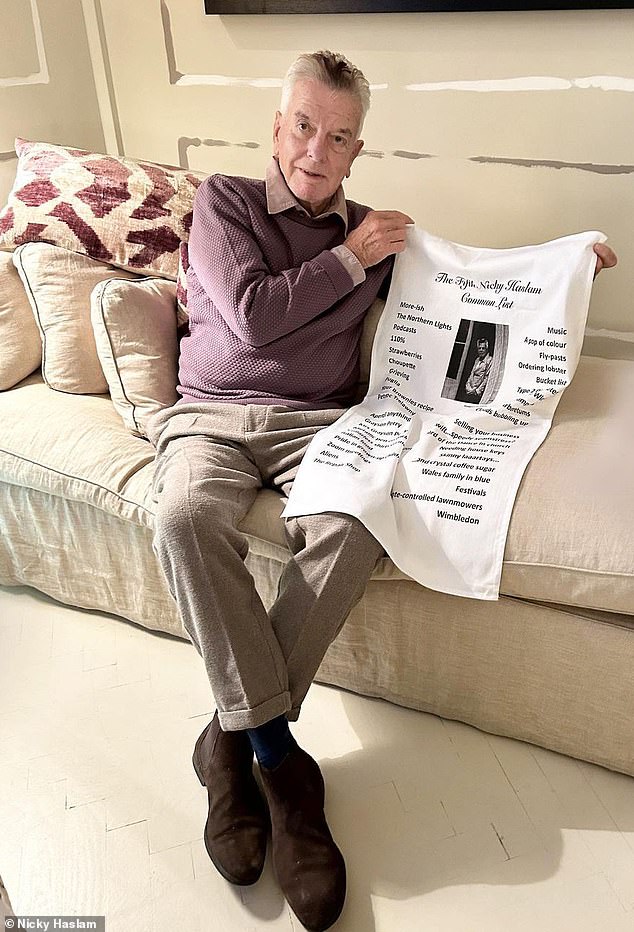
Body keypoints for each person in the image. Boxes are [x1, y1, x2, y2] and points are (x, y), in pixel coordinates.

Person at [147, 50, 617, 932]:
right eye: (301, 126)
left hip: (319, 426)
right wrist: (351, 261)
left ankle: (228, 741)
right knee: (179, 517)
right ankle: (284, 764)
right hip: (209, 414)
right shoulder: (226, 202)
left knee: (360, 523)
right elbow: (251, 315)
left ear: (358, 149)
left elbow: (471, 290)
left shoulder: (377, 230)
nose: (315, 149)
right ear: (276, 127)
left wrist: (568, 268)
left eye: (338, 135)